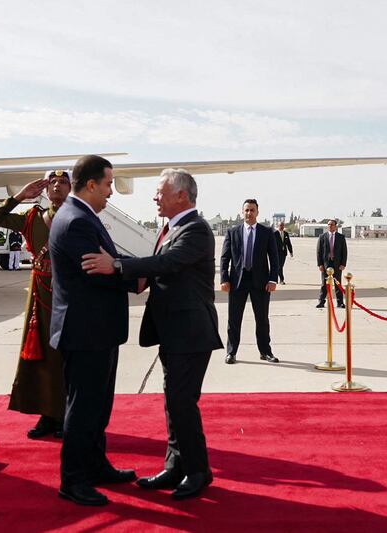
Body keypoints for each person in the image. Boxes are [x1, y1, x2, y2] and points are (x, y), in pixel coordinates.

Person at [82, 168, 222, 500]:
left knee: (182, 403)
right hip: (174, 332)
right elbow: (158, 267)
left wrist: (116, 265)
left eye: (160, 191)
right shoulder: (169, 228)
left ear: (182, 196)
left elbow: (169, 263)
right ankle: (176, 467)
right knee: (174, 403)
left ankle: (199, 471)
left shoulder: (196, 230)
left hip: (191, 334)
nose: (155, 197)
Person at [49, 155, 137, 506]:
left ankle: (96, 465)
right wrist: (140, 274)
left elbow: (108, 264)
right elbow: (98, 271)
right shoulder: (75, 222)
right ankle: (72, 480)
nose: (111, 192)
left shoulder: (82, 217)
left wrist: (122, 268)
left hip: (96, 329)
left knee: (98, 406)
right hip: (86, 331)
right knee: (84, 407)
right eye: (108, 184)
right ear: (90, 185)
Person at [0, 170, 72, 439]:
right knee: (38, 356)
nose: (57, 186)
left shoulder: (75, 217)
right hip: (38, 292)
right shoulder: (32, 217)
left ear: (71, 189)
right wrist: (21, 196)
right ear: (45, 190)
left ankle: (63, 415)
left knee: (61, 356)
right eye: (53, 183)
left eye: (63, 183)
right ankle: (45, 415)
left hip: (65, 293)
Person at [221, 199, 279, 364]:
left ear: (257, 212)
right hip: (237, 282)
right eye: (246, 210)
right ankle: (231, 352)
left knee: (262, 319)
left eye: (252, 210)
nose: (249, 213)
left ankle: (265, 352)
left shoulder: (266, 232)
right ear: (242, 212)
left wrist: (273, 279)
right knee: (234, 319)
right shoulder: (233, 232)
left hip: (260, 282)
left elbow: (274, 258)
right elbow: (225, 257)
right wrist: (224, 278)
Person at [316, 219, 347, 308]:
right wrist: (320, 264)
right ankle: (321, 301)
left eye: (332, 224)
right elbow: (319, 251)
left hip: (337, 264)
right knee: (324, 284)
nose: (330, 226)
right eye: (328, 224)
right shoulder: (322, 237)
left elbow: (344, 252)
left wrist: (343, 264)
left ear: (335, 226)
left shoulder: (341, 237)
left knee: (338, 284)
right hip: (326, 264)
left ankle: (340, 302)